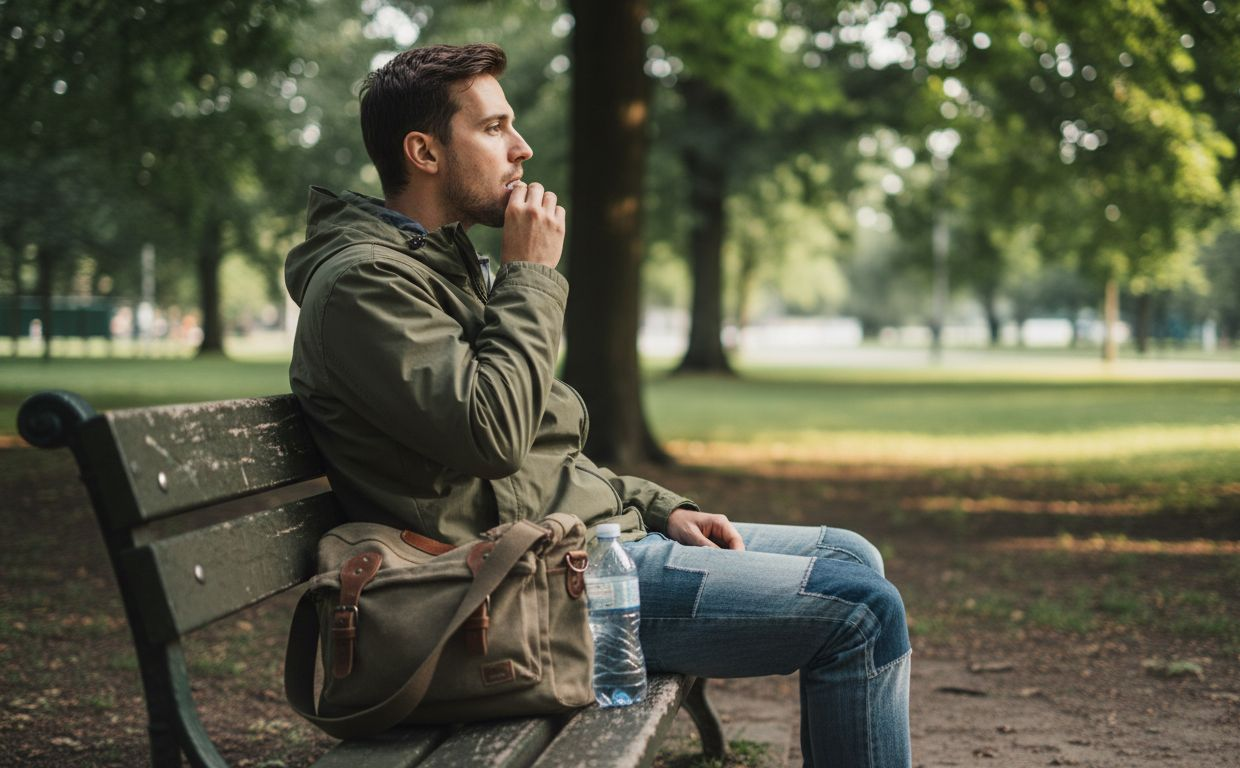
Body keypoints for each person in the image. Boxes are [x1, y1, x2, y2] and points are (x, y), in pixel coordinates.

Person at [285, 43, 910, 767]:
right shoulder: (366, 287)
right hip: (524, 588)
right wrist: (529, 277)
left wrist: (656, 503)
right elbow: (492, 437)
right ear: (423, 151)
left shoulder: (443, 267)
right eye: (493, 129)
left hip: (584, 545)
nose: (521, 149)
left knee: (852, 554)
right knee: (861, 614)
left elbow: (544, 455)